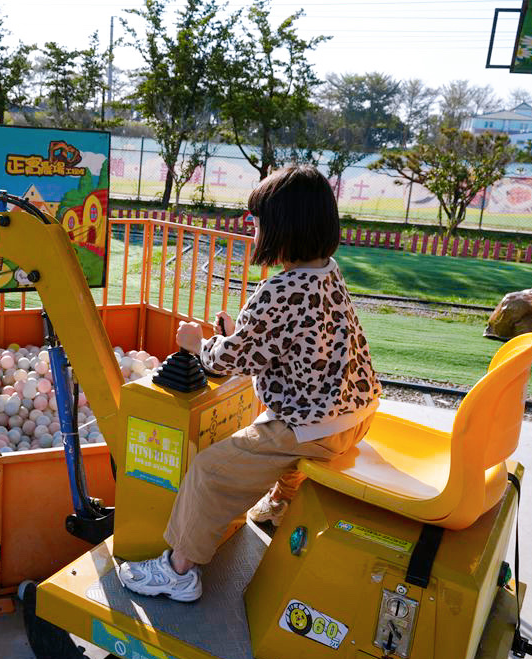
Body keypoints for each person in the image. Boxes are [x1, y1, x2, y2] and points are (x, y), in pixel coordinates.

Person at [117, 165, 381, 602]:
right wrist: (237, 332)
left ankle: (178, 570)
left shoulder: (278, 291)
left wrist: (199, 342)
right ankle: (280, 504)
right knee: (273, 428)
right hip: (359, 413)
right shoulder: (329, 272)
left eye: (258, 224)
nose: (254, 234)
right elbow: (283, 340)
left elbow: (228, 362)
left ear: (282, 229)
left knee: (210, 472)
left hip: (314, 428)